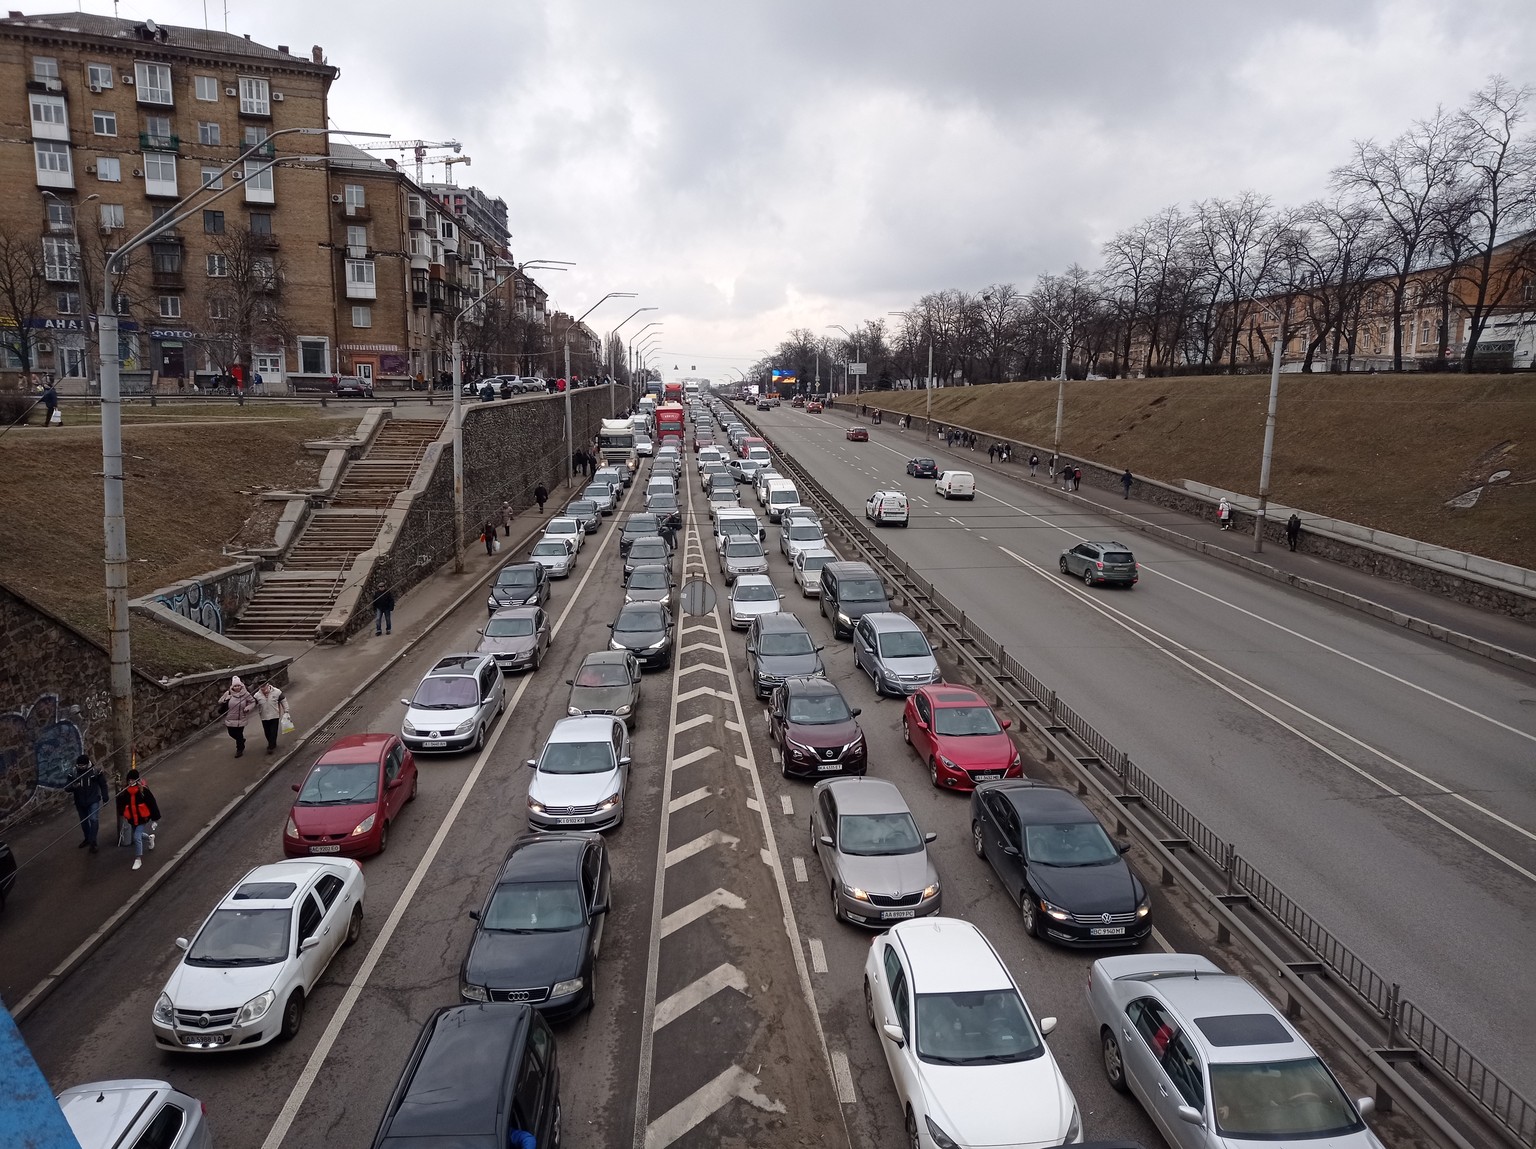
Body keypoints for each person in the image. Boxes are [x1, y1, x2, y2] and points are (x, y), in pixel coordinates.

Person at [116, 769, 161, 871]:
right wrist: (123, 812)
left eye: (132, 780)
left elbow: (152, 804)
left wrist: (155, 820)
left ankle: (138, 858)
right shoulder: (124, 792)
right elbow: (120, 805)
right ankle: (150, 838)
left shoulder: (144, 791)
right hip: (132, 819)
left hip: (142, 819)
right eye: (129, 780)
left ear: (136, 780)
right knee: (138, 835)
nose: (130, 782)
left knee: (136, 837)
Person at [65, 753, 110, 853]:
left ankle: (93, 842)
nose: (80, 767)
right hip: (80, 802)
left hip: (93, 799)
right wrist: (73, 786)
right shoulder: (73, 773)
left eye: (82, 765)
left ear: (87, 764)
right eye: (79, 765)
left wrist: (105, 796)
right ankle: (87, 838)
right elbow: (66, 787)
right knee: (84, 822)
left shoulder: (95, 771)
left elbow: (103, 784)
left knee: (93, 819)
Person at [218, 676, 257, 758]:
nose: (237, 687)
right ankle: (241, 741)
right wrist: (225, 699)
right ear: (232, 687)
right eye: (235, 686)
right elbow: (220, 701)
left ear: (241, 685)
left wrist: (248, 708)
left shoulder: (245, 694)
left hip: (241, 718)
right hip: (230, 718)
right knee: (231, 733)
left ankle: (239, 749)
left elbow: (253, 702)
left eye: (238, 685)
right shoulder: (228, 693)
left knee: (239, 734)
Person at [253, 681, 287, 755]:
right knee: (267, 732)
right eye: (261, 687)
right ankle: (272, 743)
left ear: (267, 685)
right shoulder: (257, 695)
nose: (263, 688)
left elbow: (283, 700)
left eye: (264, 686)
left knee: (273, 731)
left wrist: (286, 710)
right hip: (264, 717)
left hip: (275, 715)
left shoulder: (277, 692)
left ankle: (270, 747)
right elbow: (252, 703)